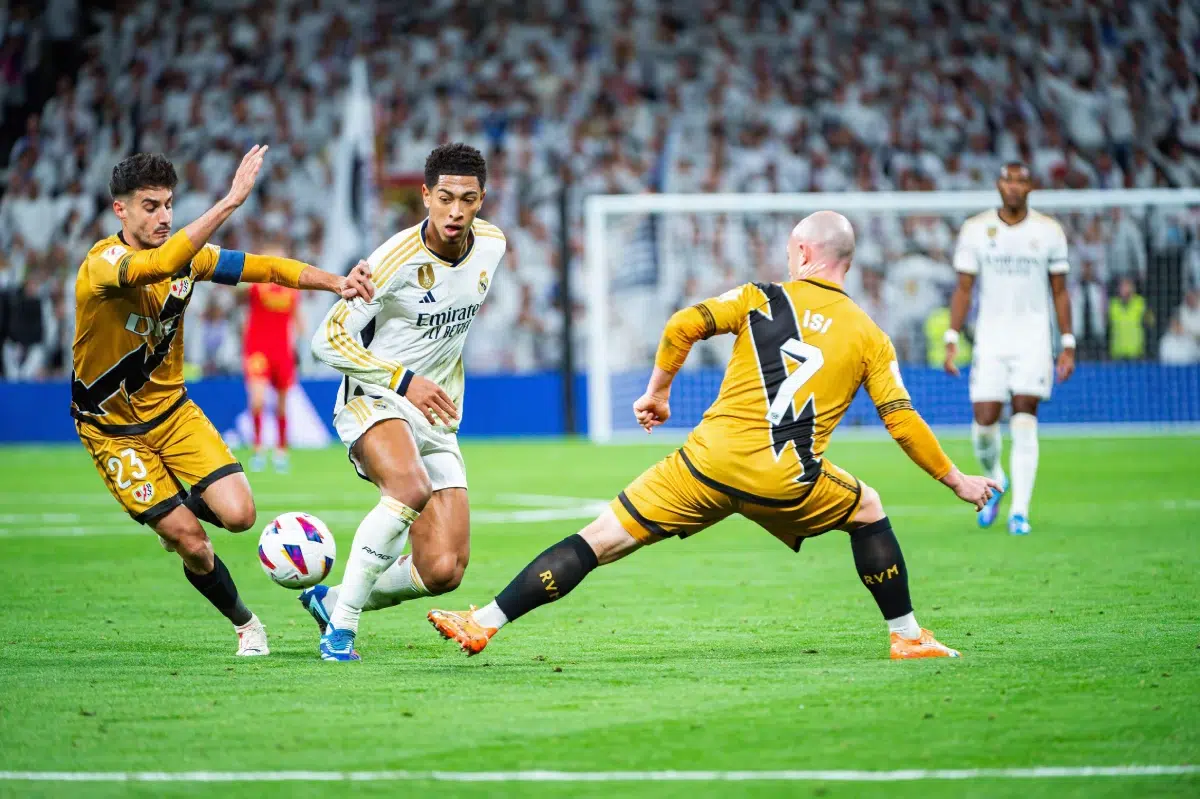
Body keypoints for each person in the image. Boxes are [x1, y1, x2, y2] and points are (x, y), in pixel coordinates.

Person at [428, 211, 999, 661]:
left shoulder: (762, 297)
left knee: (599, 538)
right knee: (868, 506)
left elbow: (682, 324)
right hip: (788, 480)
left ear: (802, 253)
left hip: (706, 465)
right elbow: (901, 420)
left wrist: (657, 392)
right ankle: (906, 636)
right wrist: (955, 480)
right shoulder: (871, 336)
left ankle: (483, 624)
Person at [71, 149, 373, 656]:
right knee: (191, 542)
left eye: (168, 204)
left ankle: (169, 513)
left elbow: (270, 269)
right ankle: (246, 624)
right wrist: (231, 201)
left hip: (173, 413)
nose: (164, 216)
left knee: (239, 514)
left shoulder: (192, 260)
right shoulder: (103, 264)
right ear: (120, 210)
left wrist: (336, 283)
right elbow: (161, 264)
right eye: (150, 206)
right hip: (112, 429)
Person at [301, 143, 506, 662]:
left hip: (434, 414)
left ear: (483, 199)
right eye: (444, 198)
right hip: (375, 398)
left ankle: (334, 601)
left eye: (468, 198)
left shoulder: (493, 247)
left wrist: (427, 386)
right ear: (425, 196)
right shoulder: (393, 260)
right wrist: (403, 379)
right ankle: (341, 631)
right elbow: (325, 341)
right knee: (409, 487)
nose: (455, 211)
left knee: (443, 571)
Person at [944, 163, 1075, 536]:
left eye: (1020, 180)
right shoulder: (975, 229)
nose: (1014, 186)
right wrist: (952, 338)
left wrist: (1067, 342)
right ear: (998, 184)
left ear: (1030, 186)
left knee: (1024, 417)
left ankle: (1020, 511)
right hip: (990, 339)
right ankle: (996, 480)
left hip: (1033, 338)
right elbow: (964, 288)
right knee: (983, 423)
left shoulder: (1048, 231)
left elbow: (1060, 290)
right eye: (1007, 179)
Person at [242, 257, 301, 473]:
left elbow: (296, 319)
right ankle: (258, 448)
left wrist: (300, 347)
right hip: (258, 349)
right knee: (257, 400)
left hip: (282, 350)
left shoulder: (293, 291)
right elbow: (240, 292)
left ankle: (281, 450)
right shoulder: (256, 287)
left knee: (282, 404)